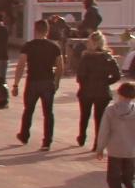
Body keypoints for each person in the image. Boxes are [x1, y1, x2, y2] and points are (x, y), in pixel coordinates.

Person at [12, 19, 65, 151]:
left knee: (28, 110)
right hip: (47, 82)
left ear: (35, 30)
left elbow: (21, 65)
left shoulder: (28, 46)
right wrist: (57, 82)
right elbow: (60, 67)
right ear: (47, 31)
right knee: (48, 113)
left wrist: (16, 84)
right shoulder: (54, 47)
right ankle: (47, 141)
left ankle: (24, 135)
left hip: (33, 82)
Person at [73, 31, 120, 150]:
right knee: (99, 118)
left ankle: (82, 137)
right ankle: (97, 143)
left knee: (84, 115)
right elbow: (117, 75)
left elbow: (80, 76)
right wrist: (106, 82)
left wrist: (85, 84)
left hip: (86, 91)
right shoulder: (108, 58)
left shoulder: (86, 58)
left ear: (91, 42)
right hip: (102, 91)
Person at [96, 80, 135, 188]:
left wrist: (100, 148)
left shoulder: (111, 110)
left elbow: (104, 131)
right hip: (131, 151)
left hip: (115, 151)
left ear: (119, 93)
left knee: (114, 180)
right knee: (130, 180)